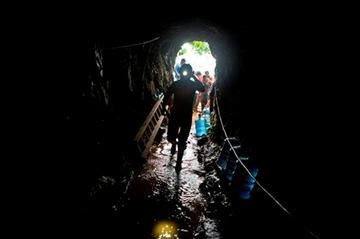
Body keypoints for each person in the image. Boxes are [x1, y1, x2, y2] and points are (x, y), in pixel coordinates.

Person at [163, 64, 205, 171]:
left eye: (187, 72)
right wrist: (164, 107)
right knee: (171, 137)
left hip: (185, 116)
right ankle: (173, 144)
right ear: (181, 73)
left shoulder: (192, 84)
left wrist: (193, 76)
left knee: (183, 140)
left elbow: (202, 88)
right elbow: (167, 94)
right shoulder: (176, 84)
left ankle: (178, 162)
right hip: (176, 114)